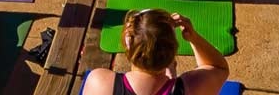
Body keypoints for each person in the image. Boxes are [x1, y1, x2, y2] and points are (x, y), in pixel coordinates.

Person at [81, 10, 231, 95]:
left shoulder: (100, 83)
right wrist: (194, 38)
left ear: (128, 43)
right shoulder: (191, 88)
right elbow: (218, 68)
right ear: (172, 52)